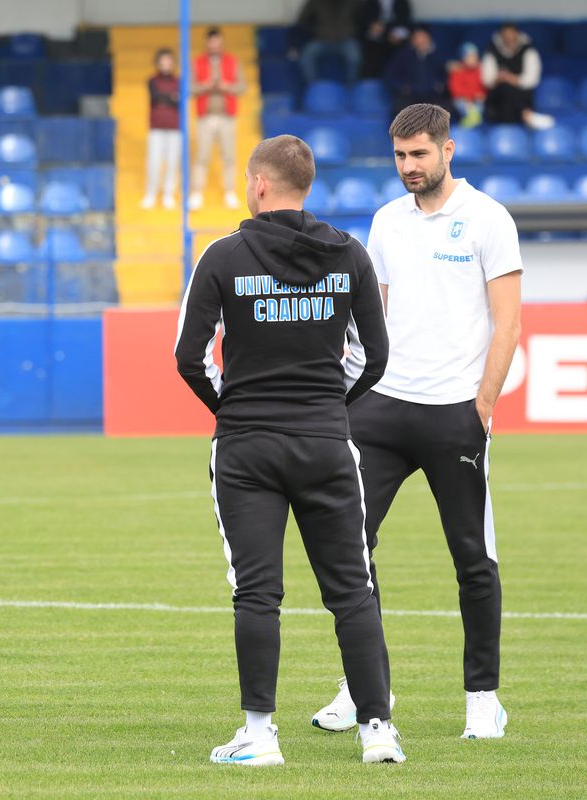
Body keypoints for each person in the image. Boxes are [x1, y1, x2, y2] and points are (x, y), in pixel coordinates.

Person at [175, 134, 404, 766]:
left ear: (258, 184)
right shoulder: (348, 255)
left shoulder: (222, 256)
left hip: (246, 448)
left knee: (255, 591)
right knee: (352, 588)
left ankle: (259, 735)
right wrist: (330, 404)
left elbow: (188, 358)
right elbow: (375, 358)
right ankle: (378, 729)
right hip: (326, 441)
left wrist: (231, 408)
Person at [314, 103, 521, 739]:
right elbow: (368, 315)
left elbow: (507, 322)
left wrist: (482, 405)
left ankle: (482, 699)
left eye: (420, 155)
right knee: (349, 550)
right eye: (400, 156)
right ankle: (361, 689)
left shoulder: (488, 219)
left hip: (455, 412)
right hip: (381, 409)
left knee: (472, 559)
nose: (409, 166)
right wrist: (351, 392)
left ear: (447, 151)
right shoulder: (385, 223)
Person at [189, 27, 245, 212]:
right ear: (207, 43)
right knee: (202, 156)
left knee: (229, 156)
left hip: (226, 116)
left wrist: (226, 86)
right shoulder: (197, 62)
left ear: (221, 43)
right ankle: (197, 193)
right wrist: (205, 85)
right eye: (211, 42)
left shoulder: (232, 61)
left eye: (217, 42)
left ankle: (230, 191)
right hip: (205, 116)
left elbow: (241, 87)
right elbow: (189, 88)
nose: (214, 45)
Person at [481, 22, 554, 130]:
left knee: (508, 87)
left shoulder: (529, 51)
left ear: (517, 35)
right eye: (505, 35)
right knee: (505, 87)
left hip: (522, 96)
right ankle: (527, 115)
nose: (509, 38)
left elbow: (531, 80)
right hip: (497, 102)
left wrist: (509, 78)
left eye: (511, 34)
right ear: (501, 36)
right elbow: (487, 80)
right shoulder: (491, 52)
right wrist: (500, 78)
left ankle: (524, 115)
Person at [141, 47, 181, 210]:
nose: (166, 64)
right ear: (158, 63)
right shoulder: (152, 80)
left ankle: (168, 194)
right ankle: (151, 193)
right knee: (154, 161)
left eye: (169, 61)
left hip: (174, 128)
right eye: (163, 61)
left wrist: (169, 99)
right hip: (156, 127)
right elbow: (156, 97)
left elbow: (177, 101)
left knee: (172, 162)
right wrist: (170, 97)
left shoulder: (179, 81)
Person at [385, 26, 452, 116]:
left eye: (424, 38)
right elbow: (390, 77)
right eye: (418, 38)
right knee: (399, 109)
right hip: (409, 96)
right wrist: (403, 88)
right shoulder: (402, 56)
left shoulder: (438, 55)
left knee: (445, 110)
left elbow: (447, 75)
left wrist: (440, 86)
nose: (421, 41)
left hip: (433, 95)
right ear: (412, 40)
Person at [295, 0, 362, 86]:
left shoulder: (353, 2)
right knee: (306, 56)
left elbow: (362, 19)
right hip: (321, 40)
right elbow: (302, 20)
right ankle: (314, 88)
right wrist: (315, 32)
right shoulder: (316, 2)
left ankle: (350, 88)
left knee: (355, 58)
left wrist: (353, 32)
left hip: (346, 40)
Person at [358, 0, 413, 79]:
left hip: (395, 36)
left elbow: (405, 22)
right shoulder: (369, 3)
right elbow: (365, 21)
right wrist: (373, 27)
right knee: (371, 53)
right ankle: (369, 83)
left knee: (401, 48)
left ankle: (399, 81)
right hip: (374, 39)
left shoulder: (402, 2)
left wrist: (388, 31)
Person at [448, 42, 486, 128]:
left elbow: (483, 88)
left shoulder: (481, 69)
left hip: (477, 100)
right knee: (461, 104)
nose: (473, 59)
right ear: (463, 58)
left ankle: (473, 121)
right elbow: (455, 90)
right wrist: (469, 97)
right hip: (463, 99)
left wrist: (479, 95)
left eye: (475, 56)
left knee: (480, 106)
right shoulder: (457, 70)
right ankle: (470, 121)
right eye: (470, 56)